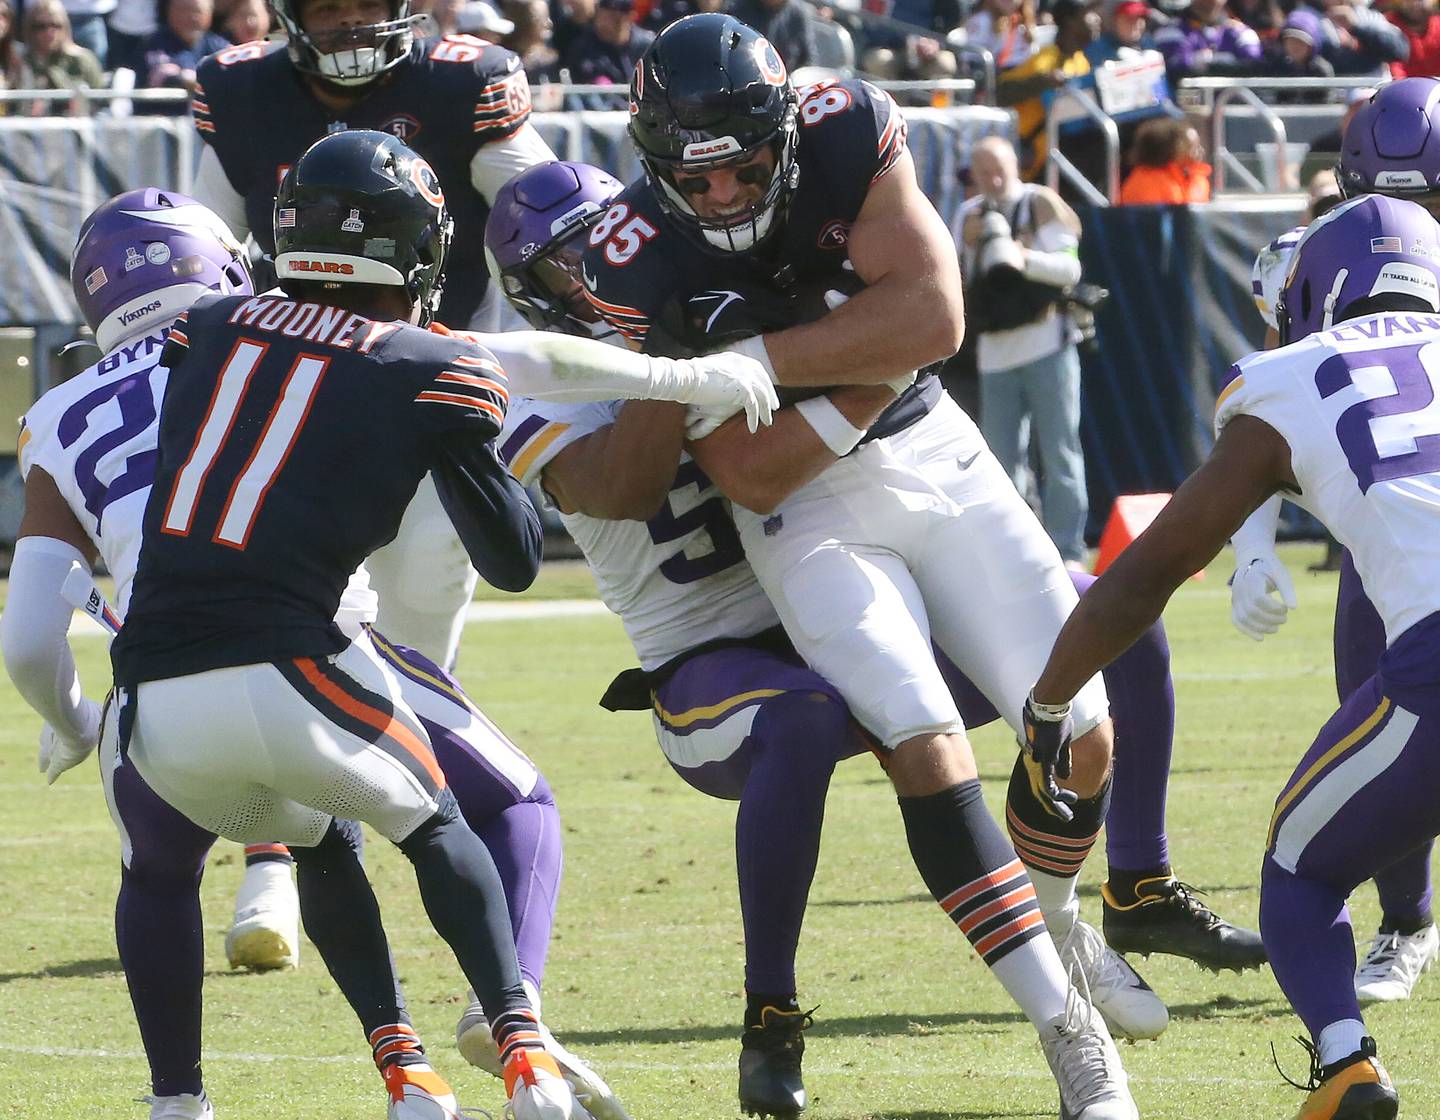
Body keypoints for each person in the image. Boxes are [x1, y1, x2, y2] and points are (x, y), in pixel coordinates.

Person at [583, 16, 1143, 1119]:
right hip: (808, 511)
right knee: (920, 738)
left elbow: (935, 314)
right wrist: (870, 361)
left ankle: (1065, 924)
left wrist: (746, 358)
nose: (728, 196)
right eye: (699, 180)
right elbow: (750, 470)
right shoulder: (634, 253)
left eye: (747, 166)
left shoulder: (847, 128)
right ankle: (1069, 1035)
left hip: (939, 450)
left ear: (783, 135)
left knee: (1079, 727)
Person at [1027, 192, 1440, 1120]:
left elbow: (1148, 575)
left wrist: (1051, 698)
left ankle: (1347, 1068)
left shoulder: (1294, 374)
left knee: (1300, 867)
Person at [188, 0, 559, 684]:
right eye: (330, 9)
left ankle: (413, 738)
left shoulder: (462, 82)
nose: (351, 24)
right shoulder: (241, 91)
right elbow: (203, 251)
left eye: (366, 6)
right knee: (298, 599)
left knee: (420, 601)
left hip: (426, 376)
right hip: (301, 384)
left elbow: (550, 218)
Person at [1239, 76, 1440, 1009]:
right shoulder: (1314, 260)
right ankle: (1407, 921)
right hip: (1386, 542)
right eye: (1397, 202)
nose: (1414, 222)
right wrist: (1250, 542)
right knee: (1378, 709)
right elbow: (1259, 413)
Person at [957, 135, 1090, 567]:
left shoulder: (1041, 203)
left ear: (1016, 165)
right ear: (972, 175)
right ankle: (1015, 554)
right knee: (999, 463)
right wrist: (974, 247)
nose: (992, 179)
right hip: (994, 350)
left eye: (999, 168)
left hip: (1046, 341)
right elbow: (959, 281)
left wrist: (1021, 255)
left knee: (1060, 452)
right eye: (982, 171)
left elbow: (1071, 269)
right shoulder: (967, 215)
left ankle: (1068, 552)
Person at [995, 0, 1101, 181]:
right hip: (1031, 159)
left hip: (1063, 153)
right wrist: (1040, 82)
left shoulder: (1081, 60)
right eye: (1089, 14)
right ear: (1070, 21)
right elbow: (998, 93)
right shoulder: (1042, 59)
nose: (1096, 19)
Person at [15, 0, 105, 114]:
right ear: (30, 28)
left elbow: (101, 101)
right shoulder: (20, 61)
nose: (49, 32)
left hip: (77, 123)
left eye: (55, 25)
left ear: (65, 27)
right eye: (41, 26)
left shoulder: (82, 59)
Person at [560, 0, 651, 107]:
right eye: (601, 15)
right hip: (601, 115)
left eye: (612, 17)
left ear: (629, 17)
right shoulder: (583, 48)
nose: (603, 22)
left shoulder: (647, 46)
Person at [1150, 0, 1262, 82]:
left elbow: (1253, 67)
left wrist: (1209, 64)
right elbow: (1177, 69)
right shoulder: (1169, 31)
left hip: (1235, 104)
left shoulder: (1242, 33)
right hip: (1189, 108)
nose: (1207, 3)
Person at [139, 0, 229, 100]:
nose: (192, 17)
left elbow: (233, 76)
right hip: (162, 113)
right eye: (185, 10)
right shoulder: (155, 43)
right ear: (170, 11)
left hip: (204, 113)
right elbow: (164, 77)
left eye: (198, 11)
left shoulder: (217, 45)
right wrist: (188, 79)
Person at [1117, 117, 1211, 203]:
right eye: (1193, 147)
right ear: (1172, 148)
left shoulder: (1197, 179)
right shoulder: (1145, 182)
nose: (1200, 151)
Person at [1387, 0, 1440, 77]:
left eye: (1421, 0)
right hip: (1400, 87)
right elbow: (1394, 68)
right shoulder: (1386, 26)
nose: (1415, 4)